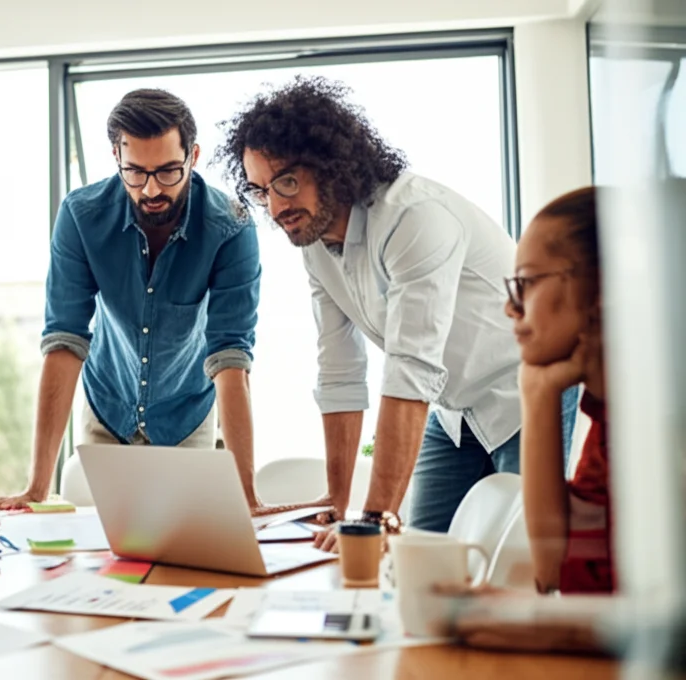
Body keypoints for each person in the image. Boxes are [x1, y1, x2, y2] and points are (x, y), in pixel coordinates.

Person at [214, 76, 577, 537]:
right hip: (454, 411)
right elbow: (340, 374)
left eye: (286, 180)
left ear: (330, 165)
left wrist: (371, 521)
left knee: (527, 552)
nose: (277, 206)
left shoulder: (413, 216)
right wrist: (339, 505)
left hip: (525, 392)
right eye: (261, 190)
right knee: (419, 549)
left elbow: (410, 368)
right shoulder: (315, 245)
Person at [0, 89, 264, 511]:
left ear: (193, 156)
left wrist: (247, 497)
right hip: (108, 409)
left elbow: (230, 357)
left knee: (185, 546)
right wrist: (36, 489)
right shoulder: (81, 217)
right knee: (110, 551)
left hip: (187, 412)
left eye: (169, 171)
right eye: (135, 172)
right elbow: (64, 342)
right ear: (115, 157)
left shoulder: (231, 226)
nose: (151, 188)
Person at [443, 186, 612, 653]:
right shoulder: (603, 423)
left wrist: (560, 623)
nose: (510, 307)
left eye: (527, 283)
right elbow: (554, 569)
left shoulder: (661, 426)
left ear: (601, 290)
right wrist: (535, 393)